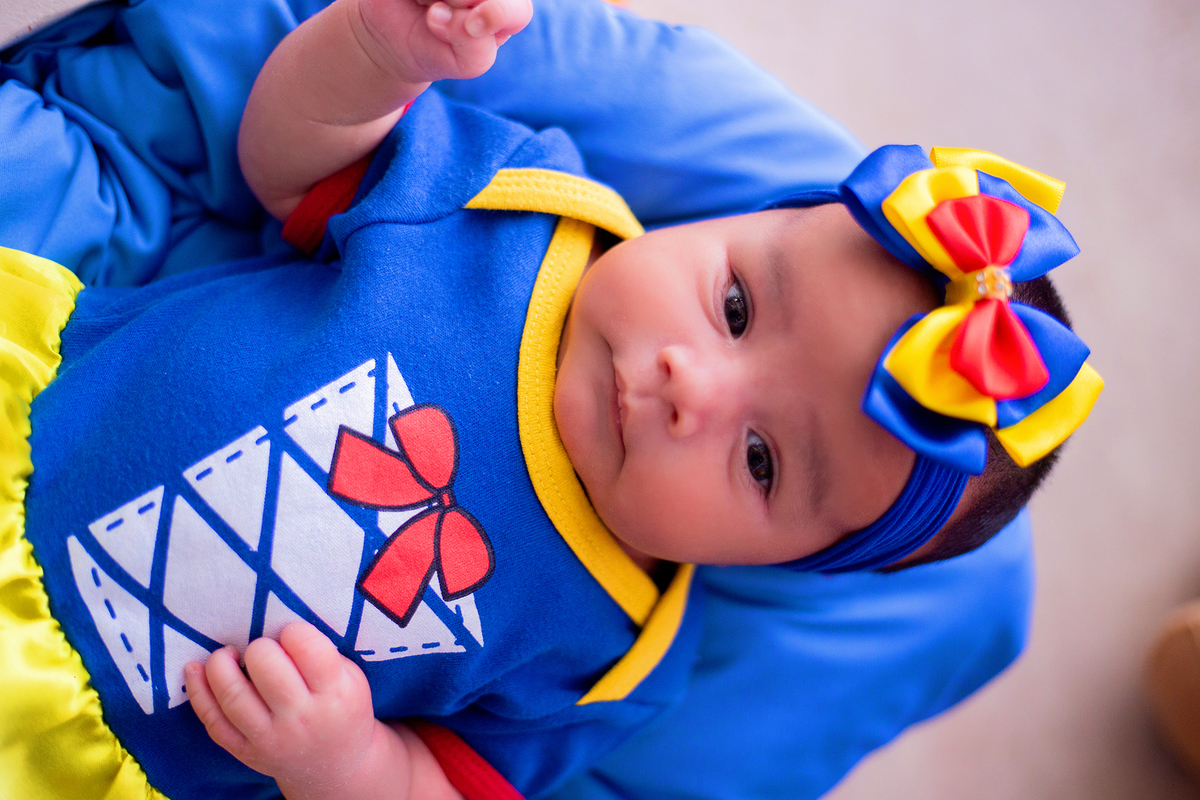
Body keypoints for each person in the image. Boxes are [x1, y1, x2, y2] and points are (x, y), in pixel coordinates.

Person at [0, 0, 1099, 799]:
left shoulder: (619, 651)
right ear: (726, 224)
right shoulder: (521, 208)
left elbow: (447, 786)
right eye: (733, 303)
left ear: (773, 560)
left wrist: (343, 762)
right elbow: (287, 163)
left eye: (761, 460)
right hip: (33, 423)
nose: (691, 386)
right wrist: (380, 51)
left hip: (74, 743)